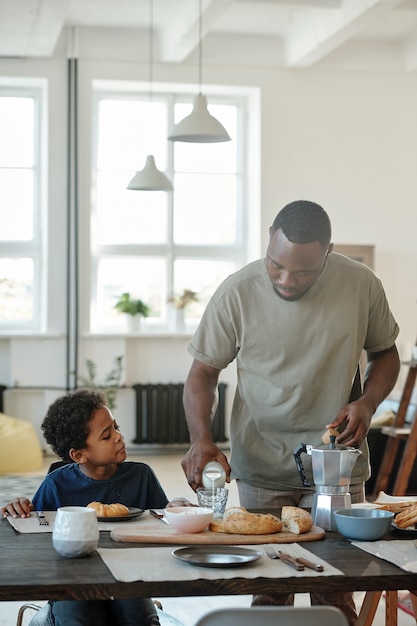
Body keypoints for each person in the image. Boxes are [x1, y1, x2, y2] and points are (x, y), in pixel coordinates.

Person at [181, 200, 401, 625]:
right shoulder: (237, 290)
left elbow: (385, 354)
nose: (286, 279)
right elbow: (202, 374)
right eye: (275, 265)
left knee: (334, 590)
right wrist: (201, 439)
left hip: (337, 464)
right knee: (270, 591)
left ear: (329, 251)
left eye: (303, 271)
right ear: (268, 240)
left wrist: (367, 403)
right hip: (261, 460)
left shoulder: (361, 284)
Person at [2, 389, 191, 626]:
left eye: (116, 427)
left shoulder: (141, 476)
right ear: (79, 454)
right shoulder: (57, 484)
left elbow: (162, 524)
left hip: (129, 578)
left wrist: (173, 510)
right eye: (106, 435)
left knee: (139, 619)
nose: (119, 437)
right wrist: (20, 508)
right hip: (71, 584)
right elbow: (35, 531)